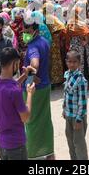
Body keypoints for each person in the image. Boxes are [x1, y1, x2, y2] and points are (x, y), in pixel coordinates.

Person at [0, 47, 35, 160]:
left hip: (2, 144)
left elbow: (9, 86)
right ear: (14, 64)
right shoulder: (15, 91)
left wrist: (25, 76)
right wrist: (30, 94)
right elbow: (25, 117)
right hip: (16, 145)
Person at [21, 20, 55, 160]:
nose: (25, 34)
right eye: (24, 31)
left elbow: (35, 62)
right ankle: (49, 153)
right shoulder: (44, 41)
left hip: (34, 90)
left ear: (35, 30)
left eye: (28, 32)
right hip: (45, 87)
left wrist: (32, 74)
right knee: (45, 121)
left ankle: (33, 154)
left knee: (31, 122)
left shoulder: (33, 46)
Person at [63, 50, 89, 160]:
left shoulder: (81, 80)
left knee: (79, 144)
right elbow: (66, 94)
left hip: (77, 117)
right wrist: (64, 109)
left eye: (75, 62)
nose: (72, 64)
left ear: (79, 63)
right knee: (70, 141)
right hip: (69, 114)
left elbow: (82, 102)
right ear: (66, 62)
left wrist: (79, 119)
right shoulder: (67, 74)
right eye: (69, 61)